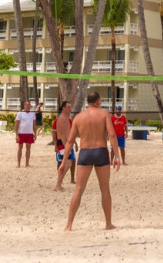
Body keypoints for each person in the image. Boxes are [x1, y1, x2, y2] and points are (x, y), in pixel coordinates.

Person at [61, 91, 121, 231]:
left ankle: (69, 225)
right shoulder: (104, 114)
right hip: (101, 152)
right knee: (105, 189)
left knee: (78, 189)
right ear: (98, 101)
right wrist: (117, 156)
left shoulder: (78, 117)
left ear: (88, 102)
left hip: (85, 153)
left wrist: (63, 162)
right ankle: (108, 224)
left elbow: (70, 141)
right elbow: (112, 134)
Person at [53, 101, 78, 191]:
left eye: (70, 107)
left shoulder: (66, 118)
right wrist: (66, 145)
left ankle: (59, 184)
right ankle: (58, 184)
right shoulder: (62, 119)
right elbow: (62, 135)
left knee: (68, 163)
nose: (70, 109)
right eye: (68, 107)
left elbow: (68, 133)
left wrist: (73, 143)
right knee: (66, 164)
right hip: (63, 143)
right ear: (63, 108)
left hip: (65, 143)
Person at [15, 101, 37, 168]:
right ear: (24, 105)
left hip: (29, 133)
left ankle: (27, 163)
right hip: (21, 133)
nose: (28, 106)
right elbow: (17, 124)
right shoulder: (20, 113)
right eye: (26, 105)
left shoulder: (32, 114)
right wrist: (16, 134)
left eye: (29, 105)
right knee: (20, 147)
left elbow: (34, 124)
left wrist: (35, 133)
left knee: (28, 148)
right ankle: (18, 163)